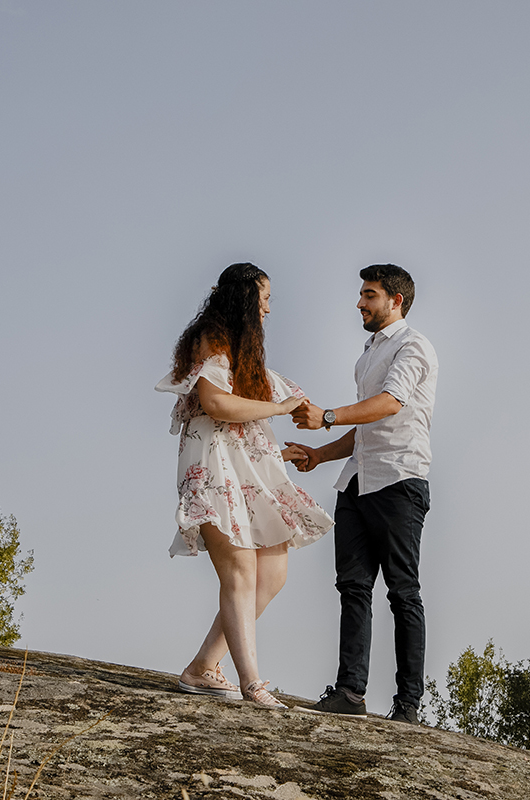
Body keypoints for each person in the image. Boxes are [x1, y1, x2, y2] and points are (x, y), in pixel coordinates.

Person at [155, 262, 334, 709]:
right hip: (212, 462)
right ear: (245, 299)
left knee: (272, 573)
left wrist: (278, 454)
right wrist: (280, 408)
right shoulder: (211, 338)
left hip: (245, 465)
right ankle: (252, 683)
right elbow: (216, 404)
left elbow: (244, 419)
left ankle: (203, 666)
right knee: (239, 569)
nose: (268, 309)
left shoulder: (243, 348)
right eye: (264, 299)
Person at [286, 264, 438, 724]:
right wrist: (319, 455)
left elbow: (390, 403)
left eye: (369, 295)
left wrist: (327, 416)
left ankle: (408, 705)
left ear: (396, 300)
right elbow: (365, 427)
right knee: (352, 586)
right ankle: (350, 692)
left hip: (399, 478)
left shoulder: (413, 346)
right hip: (357, 479)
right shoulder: (367, 353)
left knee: (403, 591)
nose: (359, 303)